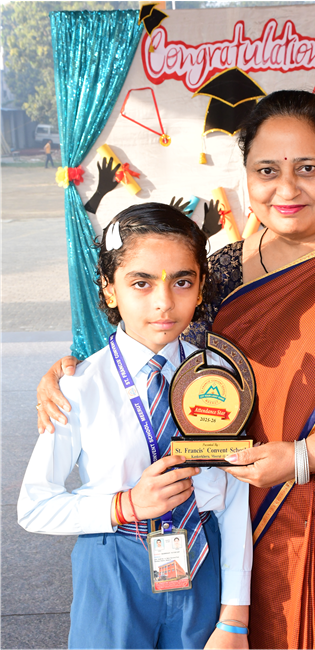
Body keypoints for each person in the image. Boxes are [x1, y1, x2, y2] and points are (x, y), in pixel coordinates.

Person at [36, 91, 315, 650]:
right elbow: (161, 342)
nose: (287, 189)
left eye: (308, 168)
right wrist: (69, 373)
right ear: (246, 176)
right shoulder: (223, 269)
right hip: (249, 527)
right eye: (267, 171)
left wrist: (300, 457)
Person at [19, 204, 251, 650]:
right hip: (113, 563)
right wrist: (124, 505)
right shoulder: (79, 386)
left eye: (182, 281)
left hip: (204, 556)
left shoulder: (220, 377)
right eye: (141, 283)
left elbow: (236, 496)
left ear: (200, 286)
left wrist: (235, 618)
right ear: (109, 290)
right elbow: (34, 507)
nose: (164, 302)